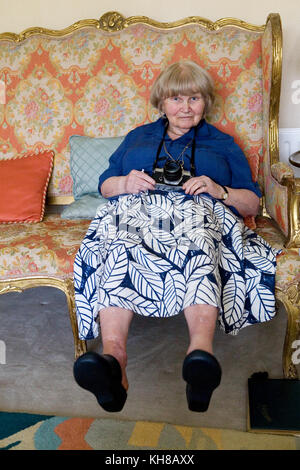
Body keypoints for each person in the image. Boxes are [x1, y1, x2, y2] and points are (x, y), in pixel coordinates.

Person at [73, 60, 279, 413]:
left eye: (194, 98)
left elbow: (251, 201)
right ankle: (113, 362)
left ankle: (200, 358)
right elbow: (105, 185)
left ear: (206, 102)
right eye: (176, 99)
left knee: (197, 236)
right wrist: (125, 183)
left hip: (199, 212)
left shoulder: (223, 143)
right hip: (137, 213)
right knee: (121, 241)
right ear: (161, 103)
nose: (185, 107)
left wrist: (219, 190)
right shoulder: (139, 136)